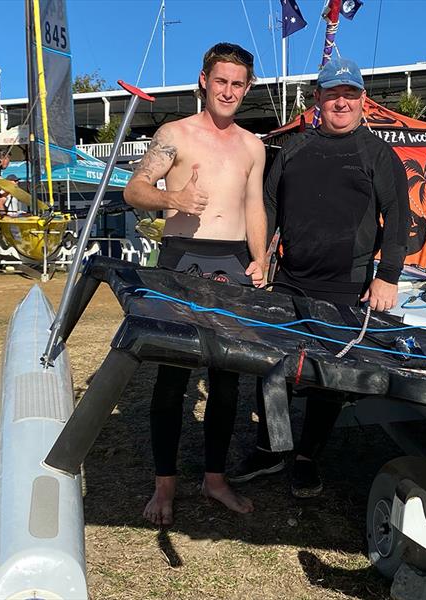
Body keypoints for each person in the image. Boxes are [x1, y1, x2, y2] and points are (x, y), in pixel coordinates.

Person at [230, 57, 410, 498]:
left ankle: (307, 456)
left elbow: (400, 219)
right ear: (318, 100)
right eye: (333, 95)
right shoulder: (293, 149)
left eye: (350, 95)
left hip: (347, 285)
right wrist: (259, 256)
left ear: (363, 100)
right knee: (270, 364)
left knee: (330, 376)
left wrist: (387, 276)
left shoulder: (377, 154)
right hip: (290, 279)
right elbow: (267, 207)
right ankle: (270, 447)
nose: (341, 103)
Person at [123, 42, 267, 525]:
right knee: (173, 377)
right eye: (221, 80)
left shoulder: (253, 145)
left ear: (246, 88)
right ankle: (165, 485)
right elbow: (133, 188)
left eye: (238, 83)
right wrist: (175, 198)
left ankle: (214, 479)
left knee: (227, 380)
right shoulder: (175, 134)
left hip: (233, 261)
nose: (228, 91)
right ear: (204, 80)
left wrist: (261, 257)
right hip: (182, 258)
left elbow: (253, 207)